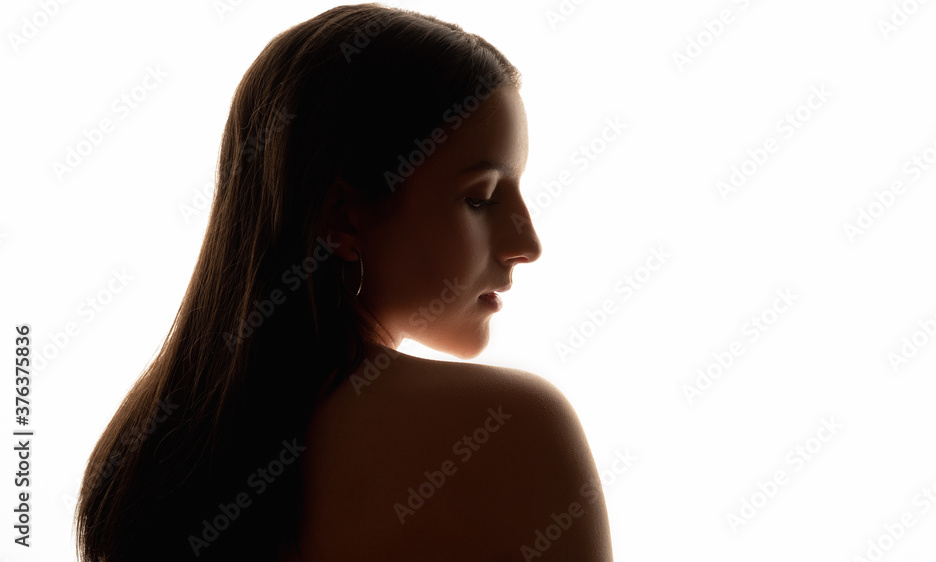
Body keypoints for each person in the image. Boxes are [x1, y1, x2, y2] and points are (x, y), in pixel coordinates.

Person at [75, 3, 613, 560]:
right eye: (480, 198)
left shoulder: (141, 457)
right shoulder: (511, 428)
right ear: (344, 219)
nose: (528, 245)